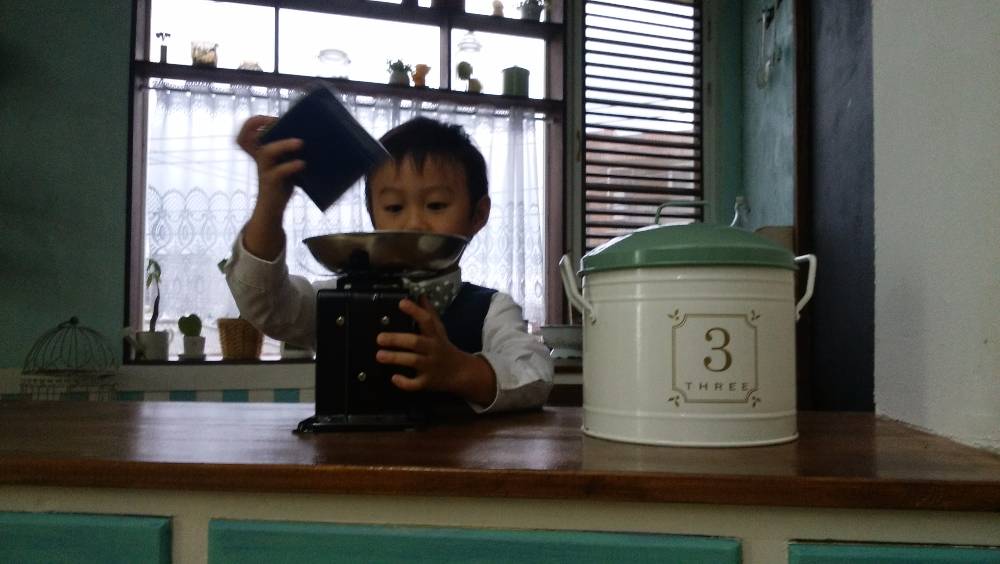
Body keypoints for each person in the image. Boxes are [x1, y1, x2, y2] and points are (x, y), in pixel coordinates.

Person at [224, 115, 553, 413]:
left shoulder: (492, 310)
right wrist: (271, 204)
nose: (413, 223)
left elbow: (535, 375)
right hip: (350, 460)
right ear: (372, 215)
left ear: (478, 215)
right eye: (394, 207)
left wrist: (460, 370)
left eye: (436, 205)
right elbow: (268, 307)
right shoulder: (340, 300)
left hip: (457, 463)